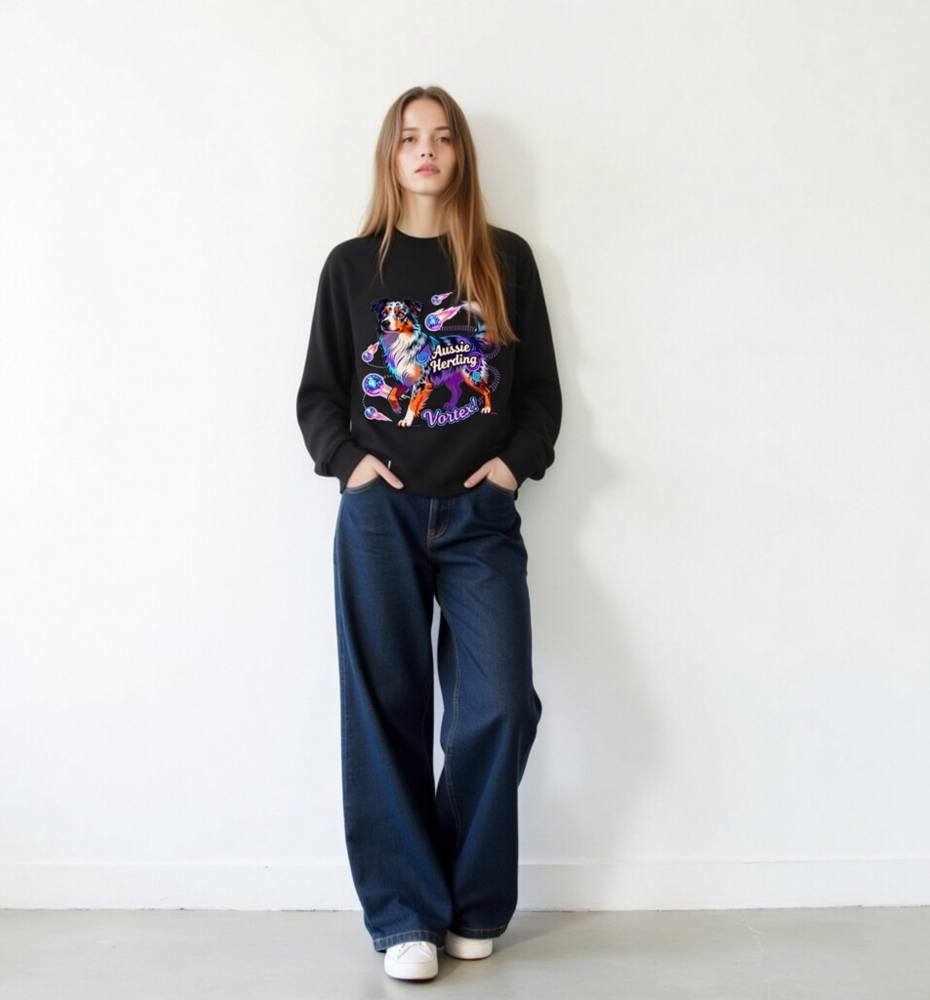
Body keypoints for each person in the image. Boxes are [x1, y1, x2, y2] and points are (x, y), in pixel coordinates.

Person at [295, 85, 562, 982]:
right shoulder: (351, 268)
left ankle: (469, 897)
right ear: (390, 154)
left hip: (481, 518)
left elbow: (540, 394)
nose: (426, 150)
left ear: (460, 155)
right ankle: (405, 914)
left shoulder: (504, 259)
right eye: (410, 137)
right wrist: (350, 464)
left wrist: (513, 465)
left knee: (500, 705)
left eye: (442, 137)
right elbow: (318, 394)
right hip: (381, 516)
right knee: (386, 711)